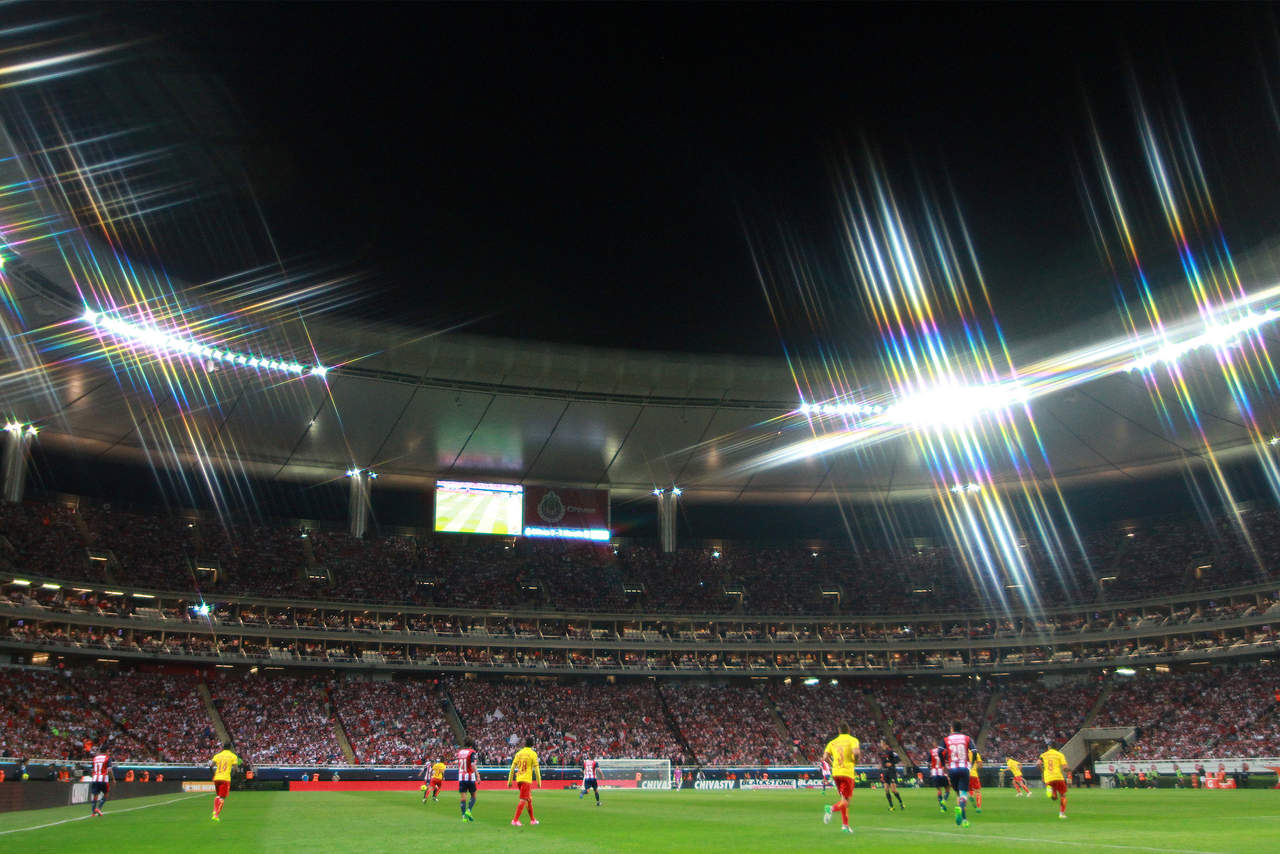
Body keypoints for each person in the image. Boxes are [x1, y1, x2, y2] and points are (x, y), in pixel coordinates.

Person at [821, 723, 859, 834]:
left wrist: (833, 764)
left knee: (843, 800)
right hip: (847, 773)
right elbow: (856, 753)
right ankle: (831, 809)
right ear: (849, 730)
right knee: (847, 802)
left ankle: (845, 826)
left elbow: (825, 757)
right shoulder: (852, 740)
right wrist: (855, 761)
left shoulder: (832, 742)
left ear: (839, 731)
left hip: (836, 773)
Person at [944, 724, 974, 828]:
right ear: (961, 729)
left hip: (952, 769)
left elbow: (940, 751)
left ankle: (964, 819)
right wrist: (971, 763)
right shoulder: (967, 738)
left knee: (958, 794)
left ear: (952, 729)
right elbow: (974, 751)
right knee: (963, 794)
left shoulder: (946, 739)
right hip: (964, 768)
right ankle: (963, 814)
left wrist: (944, 764)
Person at [507, 737, 541, 827]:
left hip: (519, 779)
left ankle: (533, 820)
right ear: (532, 744)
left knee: (528, 800)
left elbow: (512, 768)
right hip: (526, 780)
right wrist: (539, 782)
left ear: (524, 744)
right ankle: (515, 820)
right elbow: (537, 769)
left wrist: (510, 781)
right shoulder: (533, 754)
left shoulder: (519, 753)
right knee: (523, 800)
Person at [209, 742, 240, 822]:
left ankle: (214, 810)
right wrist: (234, 774)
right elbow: (236, 769)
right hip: (225, 778)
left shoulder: (217, 755)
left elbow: (211, 766)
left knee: (218, 796)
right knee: (222, 798)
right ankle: (216, 815)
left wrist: (214, 774)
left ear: (223, 747)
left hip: (217, 778)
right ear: (230, 748)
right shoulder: (233, 756)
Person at [1040, 742, 1069, 820]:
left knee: (1054, 796)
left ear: (1049, 747)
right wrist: (1069, 770)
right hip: (1058, 777)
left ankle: (1051, 791)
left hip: (1048, 777)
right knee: (1063, 795)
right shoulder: (1060, 755)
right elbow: (1064, 768)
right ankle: (1061, 814)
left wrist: (1043, 773)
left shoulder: (1043, 755)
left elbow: (1038, 764)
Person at [878, 740, 904, 811]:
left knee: (893, 790)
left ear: (886, 744)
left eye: (882, 743)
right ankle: (891, 806)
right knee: (886, 789)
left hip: (891, 771)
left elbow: (898, 759)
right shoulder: (882, 752)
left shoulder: (891, 751)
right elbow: (883, 761)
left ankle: (901, 803)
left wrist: (891, 763)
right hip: (885, 772)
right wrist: (881, 765)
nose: (881, 744)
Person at [88, 746, 114, 817]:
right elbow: (109, 770)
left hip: (95, 778)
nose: (109, 753)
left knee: (95, 795)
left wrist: (94, 776)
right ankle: (98, 808)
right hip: (103, 779)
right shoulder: (108, 758)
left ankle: (93, 812)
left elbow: (92, 770)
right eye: (108, 751)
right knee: (106, 794)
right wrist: (113, 779)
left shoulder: (95, 758)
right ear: (106, 751)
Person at [457, 739, 479, 822]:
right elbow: (473, 764)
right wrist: (477, 775)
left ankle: (463, 817)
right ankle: (468, 811)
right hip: (470, 777)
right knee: (473, 796)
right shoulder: (472, 752)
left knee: (463, 798)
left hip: (461, 777)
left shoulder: (460, 752)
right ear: (471, 744)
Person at [928, 744, 951, 810]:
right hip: (942, 772)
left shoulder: (931, 751)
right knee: (947, 789)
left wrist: (931, 771)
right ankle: (944, 800)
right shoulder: (944, 751)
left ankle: (941, 806)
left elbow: (928, 763)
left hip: (934, 772)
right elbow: (947, 762)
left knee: (939, 790)